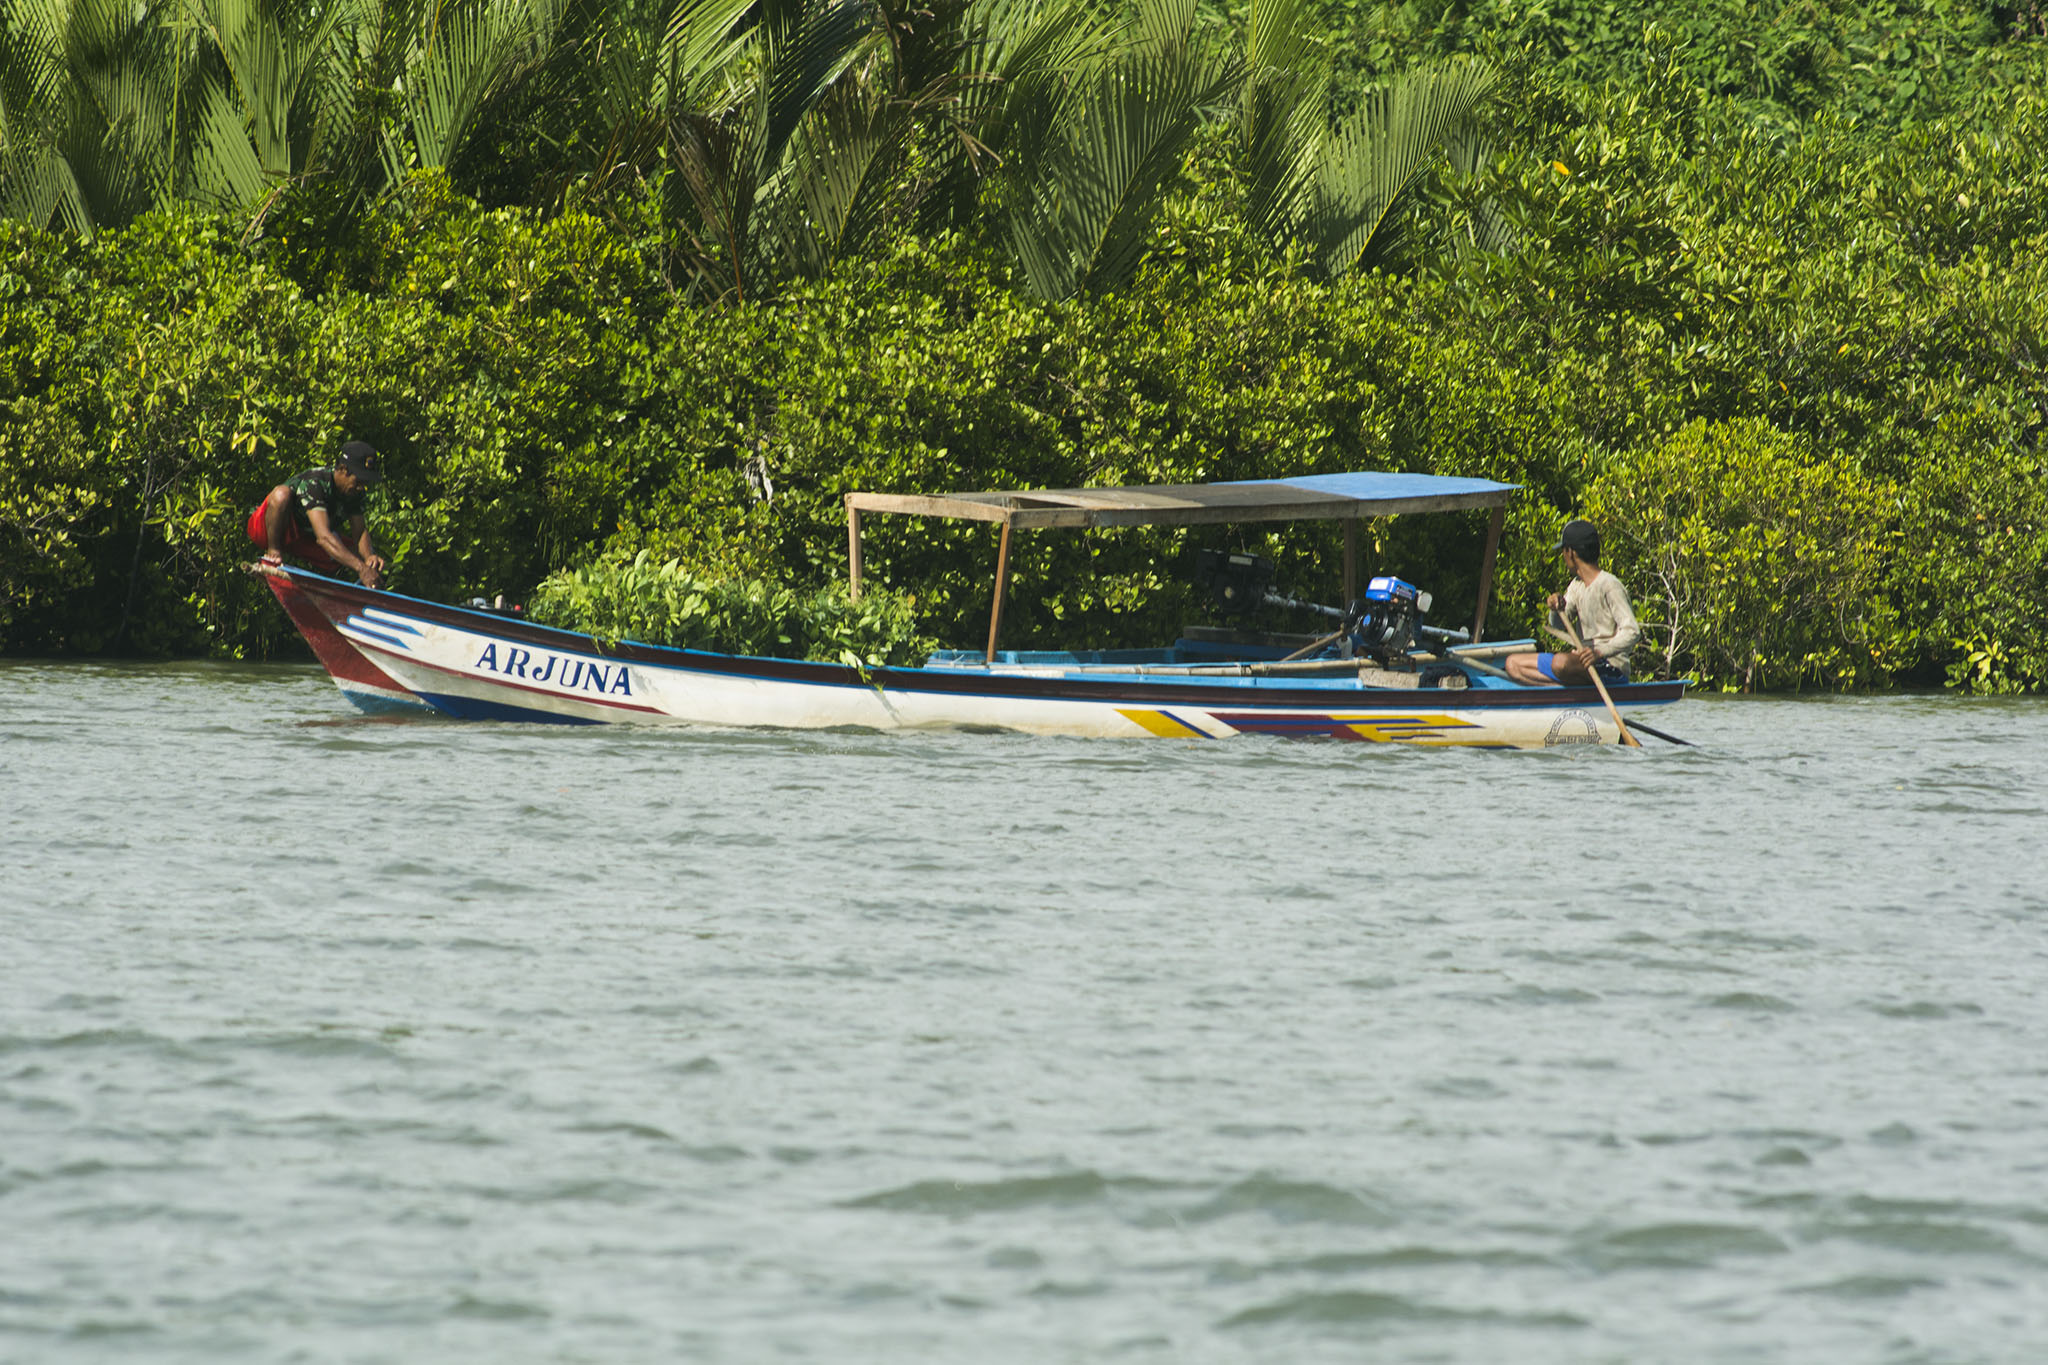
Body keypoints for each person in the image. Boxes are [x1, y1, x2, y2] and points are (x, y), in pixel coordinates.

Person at [1506, 518, 1639, 687]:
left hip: (1609, 666)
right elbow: (1558, 625)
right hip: (1581, 666)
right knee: (1513, 664)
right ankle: (1568, 692)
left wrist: (1598, 652)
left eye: (1563, 551)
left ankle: (1574, 688)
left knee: (1560, 663)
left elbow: (1632, 632)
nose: (1563, 556)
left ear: (1570, 552)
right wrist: (1556, 608)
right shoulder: (1576, 585)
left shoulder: (1610, 585)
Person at [246, 441, 387, 588]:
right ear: (344, 470)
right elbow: (324, 537)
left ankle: (353, 593)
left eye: (365, 483)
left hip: (303, 537)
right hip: (268, 529)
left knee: (356, 554)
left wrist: (369, 558)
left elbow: (360, 532)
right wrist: (361, 568)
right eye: (358, 481)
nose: (361, 487)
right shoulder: (315, 482)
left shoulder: (354, 493)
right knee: (281, 494)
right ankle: (273, 554)